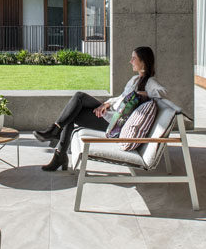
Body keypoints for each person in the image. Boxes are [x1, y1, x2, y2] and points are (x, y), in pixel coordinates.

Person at [33, 46, 166, 171]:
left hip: (115, 122)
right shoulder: (135, 79)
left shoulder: (150, 82)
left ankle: (57, 138)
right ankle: (57, 142)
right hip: (111, 112)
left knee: (78, 101)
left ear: (143, 62)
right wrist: (106, 104)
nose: (130, 61)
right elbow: (121, 97)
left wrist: (143, 94)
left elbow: (163, 93)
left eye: (134, 58)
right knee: (77, 101)